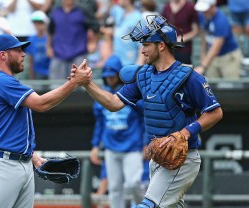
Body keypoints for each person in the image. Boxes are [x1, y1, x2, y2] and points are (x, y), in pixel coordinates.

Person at [74, 14, 223, 207]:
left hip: (182, 158)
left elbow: (215, 112)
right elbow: (113, 103)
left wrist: (186, 132)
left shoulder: (190, 77)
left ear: (161, 45)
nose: (142, 51)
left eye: (146, 45)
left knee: (148, 204)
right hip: (158, 158)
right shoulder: (143, 76)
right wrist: (88, 84)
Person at [0, 33, 91, 208]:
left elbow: (12, 129)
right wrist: (74, 83)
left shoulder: (5, 82)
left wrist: (33, 157)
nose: (23, 54)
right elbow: (41, 104)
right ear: (3, 55)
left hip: (21, 163)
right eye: (17, 50)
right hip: (0, 166)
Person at [89, 55, 145, 208]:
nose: (110, 79)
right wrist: (95, 146)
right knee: (114, 188)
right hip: (111, 147)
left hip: (132, 147)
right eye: (107, 77)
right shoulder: (102, 95)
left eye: (113, 76)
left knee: (133, 184)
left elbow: (144, 119)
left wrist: (147, 142)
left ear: (119, 75)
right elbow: (100, 124)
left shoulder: (130, 92)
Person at [194, 0, 242, 79]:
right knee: (212, 86)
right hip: (211, 56)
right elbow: (204, 34)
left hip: (227, 57)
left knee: (230, 86)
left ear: (213, 6)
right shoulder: (202, 15)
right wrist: (203, 55)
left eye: (205, 10)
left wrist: (202, 66)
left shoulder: (221, 20)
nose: (203, 12)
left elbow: (216, 47)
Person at [162, 0, 199, 64]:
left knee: (183, 72)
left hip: (184, 50)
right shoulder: (166, 7)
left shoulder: (190, 7)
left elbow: (196, 31)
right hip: (169, 49)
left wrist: (181, 39)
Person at [26, 10, 51, 80]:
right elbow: (30, 59)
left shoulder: (51, 38)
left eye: (40, 22)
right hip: (37, 72)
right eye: (35, 22)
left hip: (51, 71)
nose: (37, 25)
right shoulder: (31, 39)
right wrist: (31, 77)